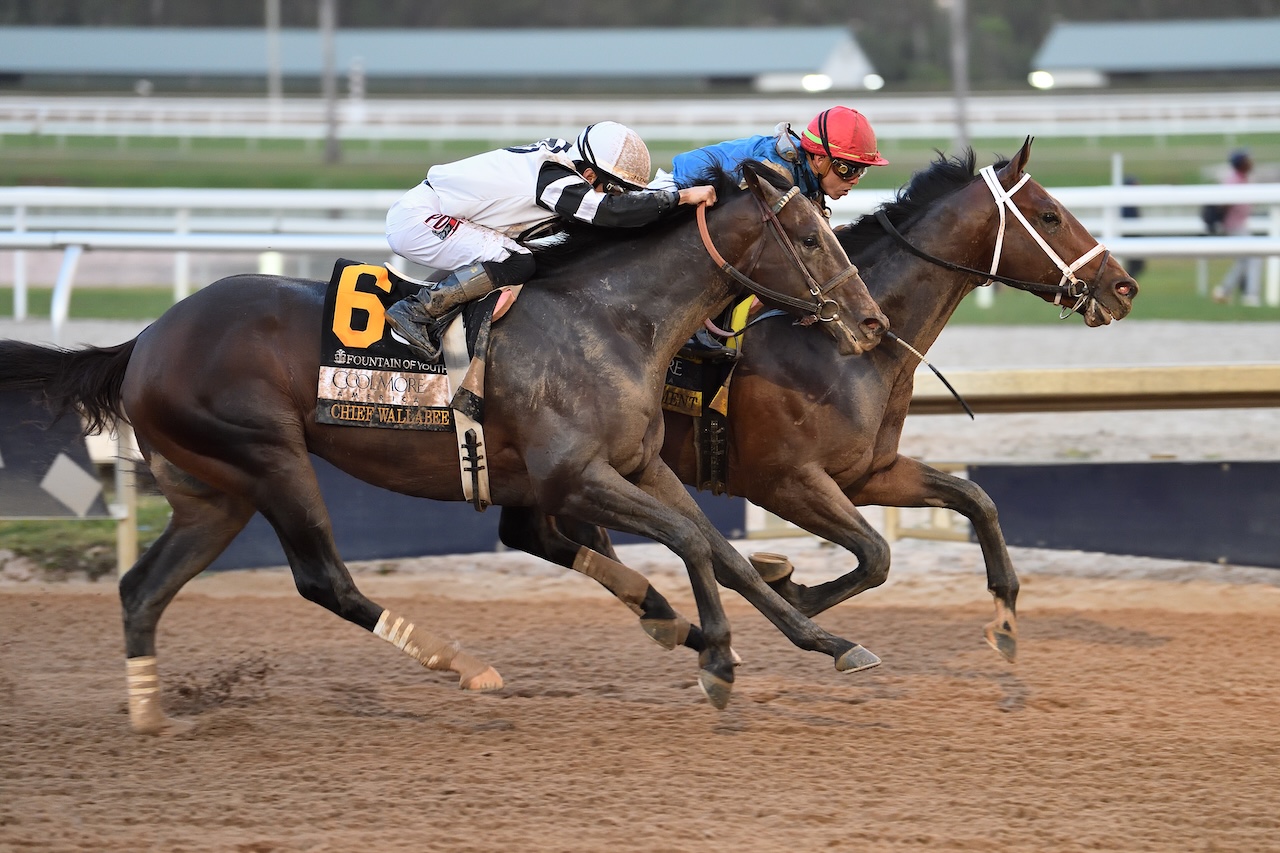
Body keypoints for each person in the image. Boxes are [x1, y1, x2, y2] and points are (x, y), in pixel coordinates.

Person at [384, 121, 717, 358]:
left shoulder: (566, 164)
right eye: (611, 187)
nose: (615, 195)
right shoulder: (555, 179)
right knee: (517, 261)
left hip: (448, 214)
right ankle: (416, 311)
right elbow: (610, 212)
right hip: (421, 220)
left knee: (525, 258)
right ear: (589, 175)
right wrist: (681, 198)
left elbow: (619, 206)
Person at [652, 106, 889, 359]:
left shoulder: (807, 176)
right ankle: (692, 325)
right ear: (819, 159)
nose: (854, 179)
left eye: (861, 170)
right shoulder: (778, 172)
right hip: (677, 194)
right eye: (848, 169)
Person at [1211, 148, 1262, 307]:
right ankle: (1251, 295)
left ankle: (1224, 290)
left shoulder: (1242, 178)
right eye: (1248, 159)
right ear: (1241, 163)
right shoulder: (1233, 180)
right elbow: (1224, 204)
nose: (1251, 162)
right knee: (1253, 257)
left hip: (1240, 224)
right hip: (1235, 225)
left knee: (1244, 261)